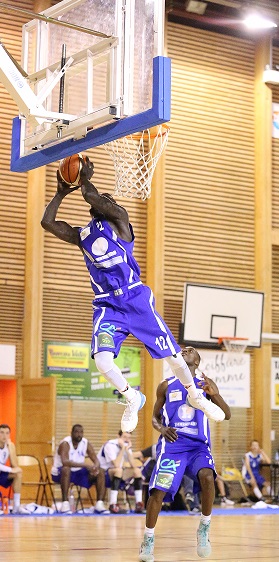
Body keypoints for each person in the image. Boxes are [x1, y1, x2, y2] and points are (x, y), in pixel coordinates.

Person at [41, 157, 225, 433]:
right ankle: (132, 397)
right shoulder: (82, 235)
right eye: (104, 201)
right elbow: (47, 222)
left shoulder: (121, 222)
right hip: (107, 305)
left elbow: (91, 195)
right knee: (102, 361)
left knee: (174, 358)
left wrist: (84, 178)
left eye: (108, 201)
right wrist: (59, 193)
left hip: (135, 298)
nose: (105, 202)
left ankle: (195, 396)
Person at [139, 346, 231, 561]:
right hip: (173, 446)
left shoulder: (206, 384)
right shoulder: (165, 385)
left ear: (197, 362)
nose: (185, 350)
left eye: (191, 350)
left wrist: (214, 395)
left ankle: (204, 528)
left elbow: (226, 414)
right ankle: (148, 539)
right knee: (157, 493)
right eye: (183, 349)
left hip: (198, 446)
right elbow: (154, 418)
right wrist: (162, 429)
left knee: (208, 476)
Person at [51, 424, 108, 513]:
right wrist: (85, 465)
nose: (79, 434)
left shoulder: (85, 442)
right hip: (60, 473)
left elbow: (96, 460)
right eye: (77, 432)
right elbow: (65, 462)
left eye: (81, 432)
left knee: (100, 471)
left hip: (77, 473)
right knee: (66, 469)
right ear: (71, 433)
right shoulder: (65, 443)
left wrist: (95, 468)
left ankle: (99, 504)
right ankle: (65, 504)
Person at [97, 429, 145, 513]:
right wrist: (123, 449)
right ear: (118, 436)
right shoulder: (110, 445)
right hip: (102, 474)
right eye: (124, 437)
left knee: (137, 471)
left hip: (117, 473)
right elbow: (116, 464)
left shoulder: (125, 446)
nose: (126, 440)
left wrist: (127, 450)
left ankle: (138, 504)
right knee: (118, 470)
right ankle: (113, 504)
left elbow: (133, 465)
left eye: (129, 438)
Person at [0, 424, 23, 514]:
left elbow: (15, 465)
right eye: (1, 433)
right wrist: (10, 470)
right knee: (13, 471)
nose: (4, 436)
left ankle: (16, 506)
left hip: (1, 473)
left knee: (18, 474)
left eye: (7, 433)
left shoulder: (9, 445)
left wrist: (11, 448)